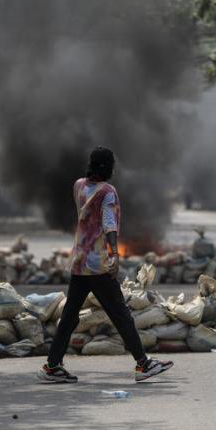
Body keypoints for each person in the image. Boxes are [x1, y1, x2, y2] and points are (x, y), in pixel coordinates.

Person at [38, 146, 174, 383]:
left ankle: (52, 365)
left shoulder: (78, 185)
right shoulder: (108, 192)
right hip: (97, 264)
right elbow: (109, 224)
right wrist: (114, 255)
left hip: (79, 260)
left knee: (70, 315)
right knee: (120, 313)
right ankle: (143, 364)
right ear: (108, 167)